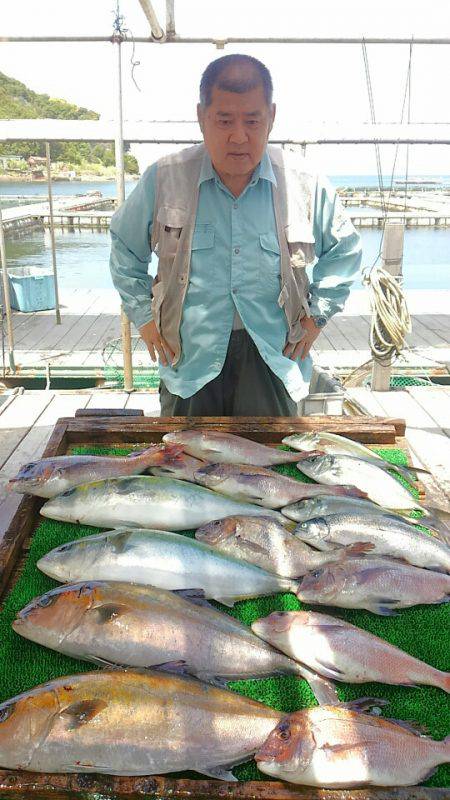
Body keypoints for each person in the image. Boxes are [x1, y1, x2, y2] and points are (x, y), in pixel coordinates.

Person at [110, 54, 362, 416]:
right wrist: (144, 318)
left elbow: (346, 250)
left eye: (253, 120)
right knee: (184, 465)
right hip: (189, 361)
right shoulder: (164, 178)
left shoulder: (305, 184)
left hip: (275, 358)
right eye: (224, 120)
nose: (239, 136)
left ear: (271, 117)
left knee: (271, 466)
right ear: (201, 117)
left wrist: (316, 318)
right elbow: (123, 247)